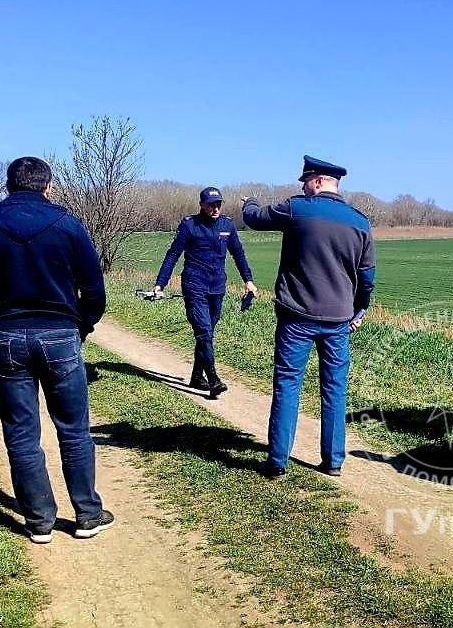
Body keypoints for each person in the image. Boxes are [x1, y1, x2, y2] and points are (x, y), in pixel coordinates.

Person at [0, 156, 114, 544]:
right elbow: (94, 290)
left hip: (6, 337)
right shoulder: (69, 227)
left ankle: (39, 521)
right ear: (48, 186)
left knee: (21, 434)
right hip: (60, 335)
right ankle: (87, 514)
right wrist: (81, 327)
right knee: (74, 430)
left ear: (8, 187)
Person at [241, 156, 375, 480]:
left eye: (305, 182)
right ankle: (333, 461)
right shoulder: (360, 223)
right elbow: (367, 277)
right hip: (338, 321)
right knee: (335, 389)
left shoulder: (298, 208)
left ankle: (277, 461)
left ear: (317, 181)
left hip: (296, 317)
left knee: (288, 384)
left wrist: (250, 202)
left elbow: (254, 219)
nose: (302, 187)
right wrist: (358, 310)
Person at [152, 186, 257, 400]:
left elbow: (238, 254)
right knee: (204, 332)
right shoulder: (189, 225)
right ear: (201, 205)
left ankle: (196, 377)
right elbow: (173, 255)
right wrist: (160, 284)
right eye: (211, 205)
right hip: (194, 285)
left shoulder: (227, 225)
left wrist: (248, 281)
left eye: (218, 204)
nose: (215, 208)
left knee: (207, 333)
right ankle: (213, 380)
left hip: (217, 287)